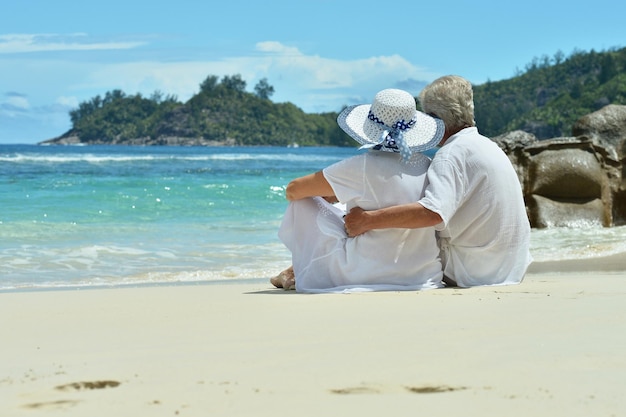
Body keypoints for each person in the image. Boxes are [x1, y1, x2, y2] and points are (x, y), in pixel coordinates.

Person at [344, 75, 532, 287]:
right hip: (511, 266)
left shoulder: (451, 154)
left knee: (391, 229)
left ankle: (338, 271)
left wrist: (367, 220)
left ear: (435, 119)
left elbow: (432, 213)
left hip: (474, 272)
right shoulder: (487, 146)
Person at [271, 88, 446, 293]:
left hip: (364, 271)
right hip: (421, 275)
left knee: (302, 201)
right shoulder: (429, 165)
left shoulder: (360, 166)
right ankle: (293, 271)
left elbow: (293, 189)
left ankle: (298, 270)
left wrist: (333, 192)